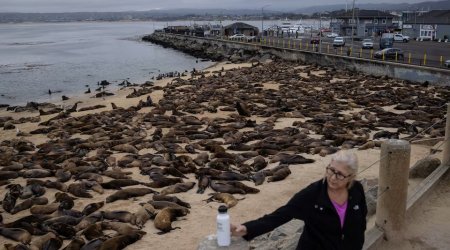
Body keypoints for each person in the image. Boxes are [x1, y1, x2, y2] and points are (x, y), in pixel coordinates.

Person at [231, 151, 367, 250]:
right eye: (331, 170)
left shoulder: (357, 190)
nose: (332, 178)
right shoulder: (312, 194)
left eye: (340, 175)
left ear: (351, 177)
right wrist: (247, 228)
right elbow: (280, 215)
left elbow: (361, 222)